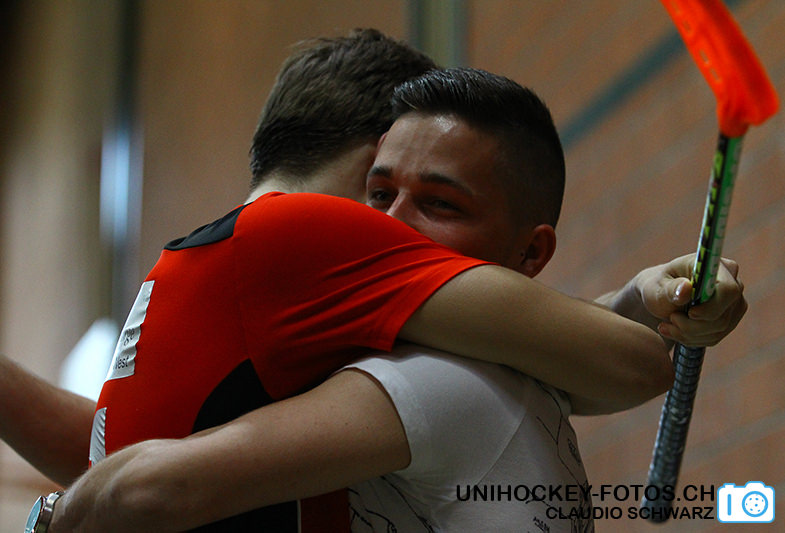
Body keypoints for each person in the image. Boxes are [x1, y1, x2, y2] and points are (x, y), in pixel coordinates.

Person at [48, 68, 746, 532]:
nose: (387, 225)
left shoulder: (433, 380)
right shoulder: (484, 368)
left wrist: (49, 517)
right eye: (377, 194)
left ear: (531, 255)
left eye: (439, 204)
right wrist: (639, 297)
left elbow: (148, 487)